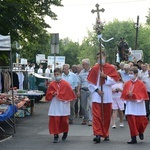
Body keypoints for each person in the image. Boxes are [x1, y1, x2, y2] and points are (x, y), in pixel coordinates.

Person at [87, 51, 119, 143]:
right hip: (97, 96)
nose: (99, 59)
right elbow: (90, 83)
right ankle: (97, 134)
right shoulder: (94, 68)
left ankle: (105, 133)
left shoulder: (111, 68)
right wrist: (97, 90)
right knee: (96, 116)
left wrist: (105, 76)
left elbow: (114, 80)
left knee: (106, 116)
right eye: (97, 57)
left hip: (107, 96)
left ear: (105, 56)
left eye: (101, 56)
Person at [45, 68, 76, 143]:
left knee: (64, 121)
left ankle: (65, 132)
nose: (56, 76)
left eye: (57, 74)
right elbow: (48, 95)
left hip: (63, 105)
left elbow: (69, 94)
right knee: (54, 120)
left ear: (61, 75)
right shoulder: (52, 84)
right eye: (55, 75)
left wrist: (60, 94)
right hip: (55, 104)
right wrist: (53, 93)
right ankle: (56, 135)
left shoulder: (66, 84)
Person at [121, 67, 149, 144]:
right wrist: (128, 95)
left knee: (140, 122)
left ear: (136, 74)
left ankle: (141, 131)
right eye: (129, 73)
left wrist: (135, 95)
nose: (130, 75)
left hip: (138, 105)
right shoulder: (127, 83)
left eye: (131, 73)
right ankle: (133, 138)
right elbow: (124, 93)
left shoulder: (141, 84)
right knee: (131, 121)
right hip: (130, 105)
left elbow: (143, 95)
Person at [77, 59, 92, 126]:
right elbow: (79, 82)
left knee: (90, 105)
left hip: (90, 90)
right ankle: (85, 118)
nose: (82, 65)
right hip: (83, 90)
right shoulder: (81, 72)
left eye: (83, 64)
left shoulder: (92, 71)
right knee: (83, 106)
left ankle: (90, 120)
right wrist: (78, 91)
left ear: (87, 64)